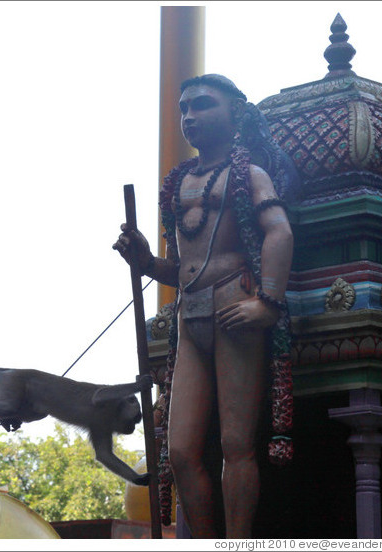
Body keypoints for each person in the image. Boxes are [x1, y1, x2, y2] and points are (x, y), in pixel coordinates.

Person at [113, 74, 294, 538]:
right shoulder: (177, 186)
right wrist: (144, 260)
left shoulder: (249, 174)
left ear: (234, 111)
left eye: (203, 105)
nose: (189, 116)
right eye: (184, 108)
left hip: (236, 306)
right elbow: (180, 269)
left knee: (236, 444)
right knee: (181, 451)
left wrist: (268, 302)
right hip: (188, 317)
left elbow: (279, 232)